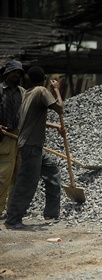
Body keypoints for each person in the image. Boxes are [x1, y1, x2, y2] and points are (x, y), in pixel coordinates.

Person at [3, 66, 64, 229]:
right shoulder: (42, 91)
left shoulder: (28, 94)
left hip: (32, 145)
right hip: (31, 145)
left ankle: (51, 212)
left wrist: (55, 126)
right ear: (44, 77)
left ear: (28, 79)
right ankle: (13, 219)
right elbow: (60, 108)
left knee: (52, 171)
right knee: (27, 182)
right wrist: (57, 90)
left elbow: (33, 120)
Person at [0, 60, 25, 218]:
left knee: (18, 176)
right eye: (13, 72)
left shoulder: (23, 92)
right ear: (6, 73)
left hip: (20, 136)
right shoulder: (0, 90)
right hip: (5, 136)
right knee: (3, 176)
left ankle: (12, 212)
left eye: (18, 73)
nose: (16, 75)